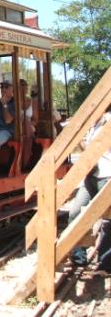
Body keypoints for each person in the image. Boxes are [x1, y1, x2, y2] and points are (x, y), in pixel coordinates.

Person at [68, 105, 111, 270]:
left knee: (108, 220)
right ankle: (79, 255)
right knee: (75, 213)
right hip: (91, 175)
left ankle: (106, 261)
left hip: (106, 175)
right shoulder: (94, 124)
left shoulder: (109, 119)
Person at [0, 80, 15, 164]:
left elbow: (8, 120)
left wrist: (4, 105)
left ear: (13, 89)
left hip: (7, 131)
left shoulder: (15, 103)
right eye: (2, 87)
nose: (3, 89)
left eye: (6, 87)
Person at [20, 79, 36, 168]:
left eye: (25, 85)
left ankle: (26, 160)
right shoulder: (12, 101)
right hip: (16, 125)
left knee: (26, 125)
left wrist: (28, 125)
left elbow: (35, 120)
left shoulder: (31, 101)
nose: (24, 87)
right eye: (21, 85)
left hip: (30, 125)